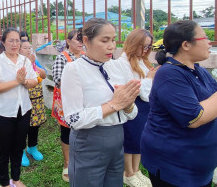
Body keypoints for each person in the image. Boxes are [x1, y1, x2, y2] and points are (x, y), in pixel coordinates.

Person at [60, 18, 140, 187]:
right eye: (104, 40)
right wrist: (114, 105)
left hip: (118, 138)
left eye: (113, 40)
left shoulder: (116, 66)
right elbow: (73, 118)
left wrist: (128, 104)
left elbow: (132, 112)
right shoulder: (74, 69)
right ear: (86, 41)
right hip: (89, 140)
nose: (111, 46)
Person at [140, 20, 217, 187]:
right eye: (204, 38)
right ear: (186, 45)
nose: (209, 42)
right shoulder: (169, 74)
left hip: (199, 165)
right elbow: (195, 117)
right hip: (176, 167)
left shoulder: (199, 71)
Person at [0, 28, 38, 187]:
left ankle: (15, 178)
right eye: (11, 40)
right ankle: (4, 183)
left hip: (23, 110)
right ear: (3, 42)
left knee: (18, 146)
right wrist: (16, 81)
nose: (15, 44)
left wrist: (24, 82)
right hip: (3, 112)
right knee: (3, 149)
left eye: (17, 40)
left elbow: (34, 81)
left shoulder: (25, 61)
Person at [118, 29, 157, 187]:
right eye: (144, 46)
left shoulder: (142, 60)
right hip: (133, 105)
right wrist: (148, 79)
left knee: (141, 139)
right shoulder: (123, 62)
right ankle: (128, 172)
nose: (146, 50)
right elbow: (137, 90)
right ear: (134, 44)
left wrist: (150, 79)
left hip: (145, 106)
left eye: (149, 47)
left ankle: (136, 169)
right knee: (131, 139)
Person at [51, 29, 83, 182]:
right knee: (66, 132)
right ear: (68, 41)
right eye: (77, 39)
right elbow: (57, 80)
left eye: (83, 40)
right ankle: (67, 163)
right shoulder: (62, 58)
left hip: (84, 101)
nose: (81, 43)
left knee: (82, 129)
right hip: (67, 103)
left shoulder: (86, 56)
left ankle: (80, 160)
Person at [18, 40, 47, 167]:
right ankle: (21, 151)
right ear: (18, 49)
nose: (29, 50)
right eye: (25, 48)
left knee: (35, 125)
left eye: (30, 47)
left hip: (37, 100)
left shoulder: (34, 61)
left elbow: (44, 75)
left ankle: (32, 147)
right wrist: (29, 63)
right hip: (24, 100)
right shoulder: (18, 63)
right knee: (22, 126)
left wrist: (34, 63)